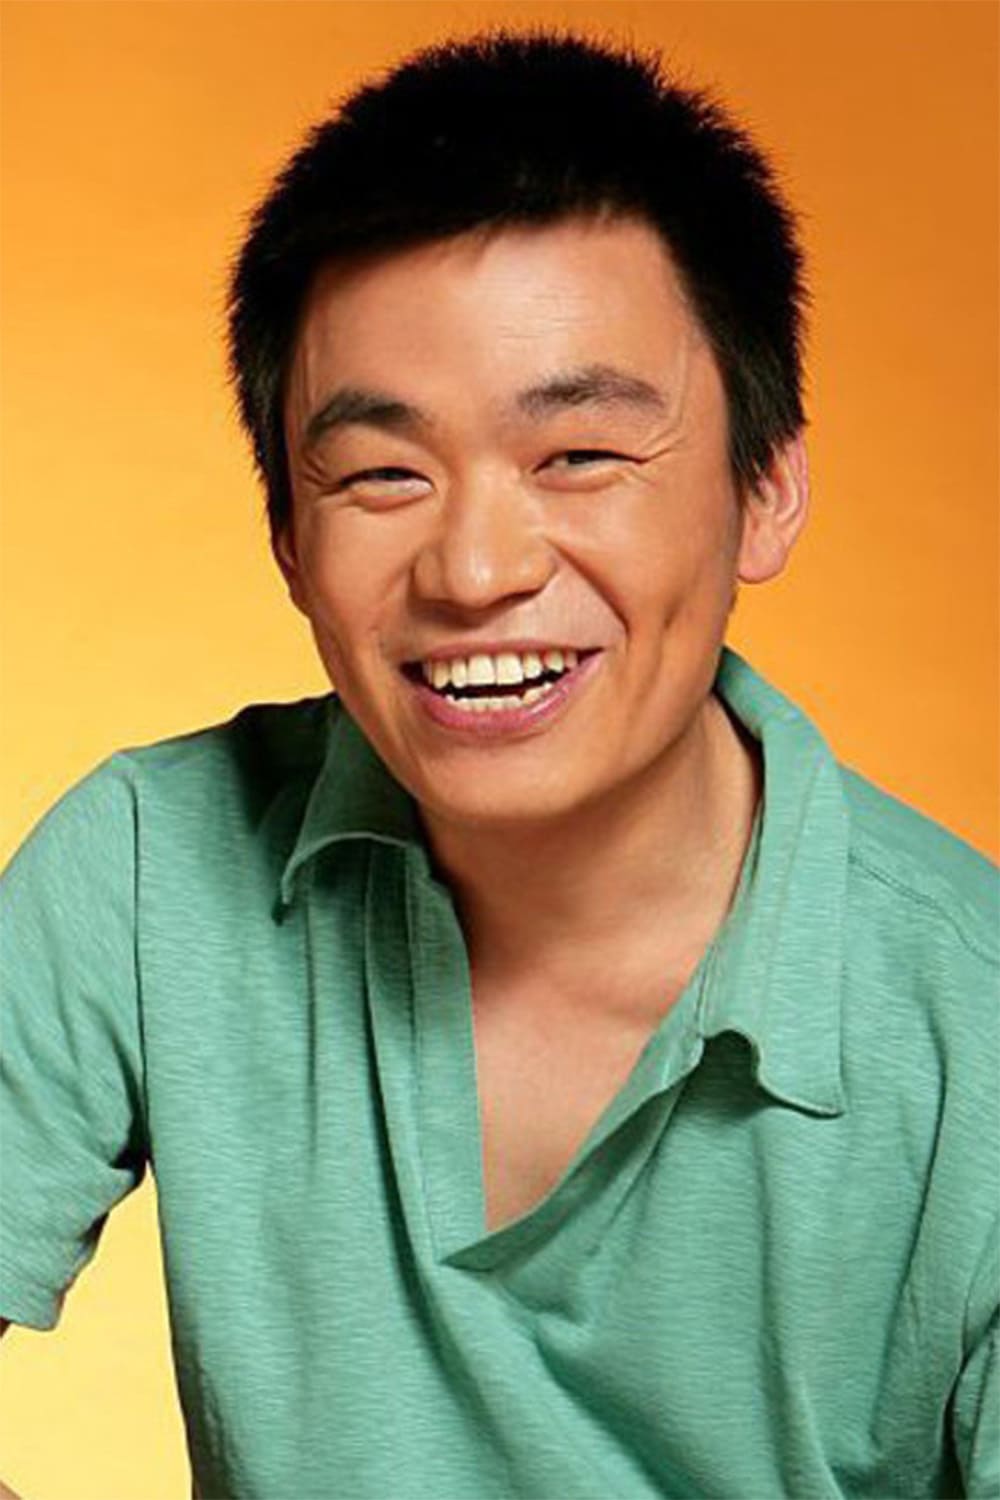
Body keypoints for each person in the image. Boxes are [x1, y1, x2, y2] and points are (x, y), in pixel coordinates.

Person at [1, 27, 997, 1500]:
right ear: (289, 540)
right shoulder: (145, 872)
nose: (474, 570)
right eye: (383, 474)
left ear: (767, 490)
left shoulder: (972, 1036)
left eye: (578, 455)